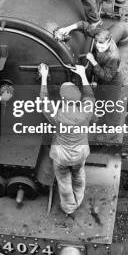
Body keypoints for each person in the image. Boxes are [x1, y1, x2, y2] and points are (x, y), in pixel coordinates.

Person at [38, 62, 100, 216]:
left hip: (61, 156)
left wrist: (44, 78)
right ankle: (78, 200)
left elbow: (44, 101)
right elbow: (90, 96)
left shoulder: (58, 115)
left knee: (64, 181)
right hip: (80, 153)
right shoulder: (86, 111)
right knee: (79, 175)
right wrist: (83, 74)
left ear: (63, 98)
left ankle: (68, 207)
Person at [55, 21, 128, 85]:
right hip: (99, 61)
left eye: (102, 47)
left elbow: (107, 77)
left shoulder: (113, 57)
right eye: (97, 45)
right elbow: (84, 25)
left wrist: (93, 61)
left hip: (109, 79)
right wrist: (67, 28)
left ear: (109, 42)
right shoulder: (100, 33)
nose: (99, 49)